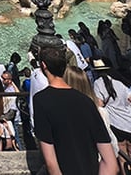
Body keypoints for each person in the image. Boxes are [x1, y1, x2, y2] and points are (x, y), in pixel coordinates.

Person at [33, 45, 116, 175]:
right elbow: (111, 163)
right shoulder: (87, 101)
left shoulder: (41, 100)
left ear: (43, 66)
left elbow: (51, 163)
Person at [92, 59, 131, 165]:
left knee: (122, 156)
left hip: (115, 123)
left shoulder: (98, 83)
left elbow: (99, 104)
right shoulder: (121, 80)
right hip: (128, 121)